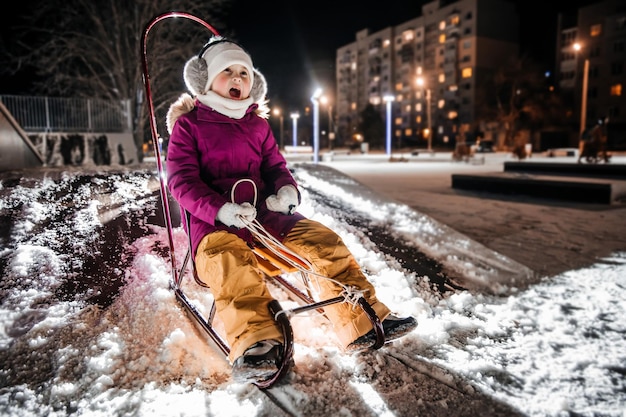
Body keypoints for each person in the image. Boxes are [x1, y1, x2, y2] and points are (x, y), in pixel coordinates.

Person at [165, 36, 417, 383]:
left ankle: (360, 319)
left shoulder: (258, 125)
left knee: (323, 241)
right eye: (227, 72)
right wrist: (220, 210)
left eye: (244, 72)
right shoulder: (189, 126)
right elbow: (180, 180)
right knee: (231, 264)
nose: (238, 79)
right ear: (205, 79)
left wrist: (285, 190)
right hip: (215, 227)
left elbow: (275, 167)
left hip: (265, 221)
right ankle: (256, 342)